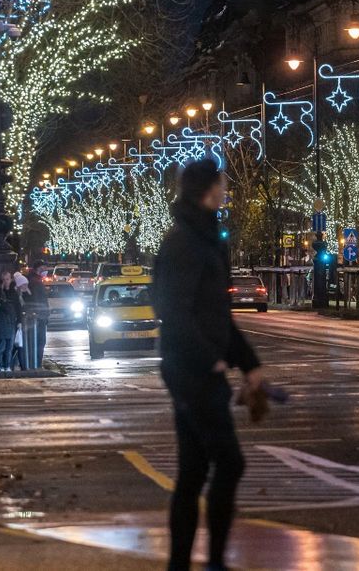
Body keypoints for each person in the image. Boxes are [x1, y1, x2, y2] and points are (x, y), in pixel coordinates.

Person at [152, 159, 265, 571]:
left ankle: (182, 563)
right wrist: (214, 361)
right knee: (229, 462)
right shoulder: (185, 243)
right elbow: (174, 311)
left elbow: (218, 314)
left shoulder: (206, 240)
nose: (226, 189)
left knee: (194, 470)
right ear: (207, 190)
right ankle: (213, 561)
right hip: (192, 372)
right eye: (222, 183)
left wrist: (249, 365)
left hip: (196, 367)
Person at [0, 272, 21, 371]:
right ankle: (0, 366)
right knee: (1, 346)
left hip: (10, 323)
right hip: (2, 324)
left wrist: (19, 320)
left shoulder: (13, 293)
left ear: (11, 280)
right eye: (3, 279)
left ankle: (5, 366)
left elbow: (18, 307)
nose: (5, 282)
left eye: (7, 279)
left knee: (8, 347)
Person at [24, 260, 50, 367]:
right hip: (39, 317)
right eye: (45, 268)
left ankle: (35, 363)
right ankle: (36, 364)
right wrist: (43, 314)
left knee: (37, 342)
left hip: (38, 316)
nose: (46, 271)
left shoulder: (34, 280)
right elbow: (39, 300)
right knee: (39, 342)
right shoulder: (36, 282)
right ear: (40, 268)